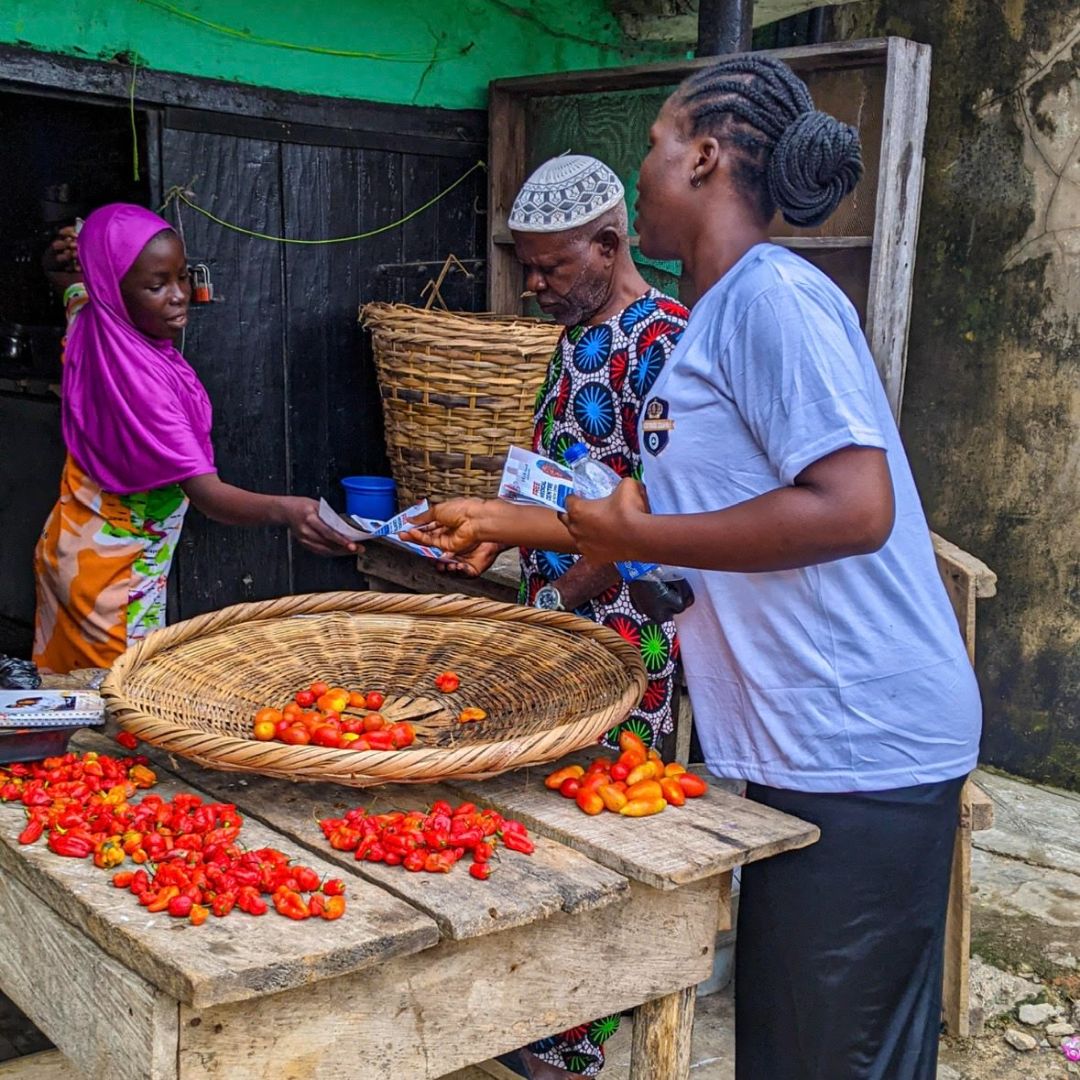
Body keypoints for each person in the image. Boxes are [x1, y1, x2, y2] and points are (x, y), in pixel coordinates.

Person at [415, 58, 982, 1080]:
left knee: (829, 1059)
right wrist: (518, 519)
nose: (642, 171)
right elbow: (663, 511)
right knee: (791, 1047)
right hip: (803, 739)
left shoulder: (774, 299)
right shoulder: (720, 319)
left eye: (655, 145)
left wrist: (628, 538)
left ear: (707, 156)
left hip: (866, 740)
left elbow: (853, 507)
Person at [414, 155, 689, 1079]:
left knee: (602, 827)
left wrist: (567, 597)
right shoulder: (573, 338)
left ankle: (572, 1045)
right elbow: (550, 476)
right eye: (525, 266)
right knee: (530, 821)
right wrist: (498, 540)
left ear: (609, 245)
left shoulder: (666, 343)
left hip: (623, 639)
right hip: (553, 623)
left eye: (548, 267)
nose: (531, 286)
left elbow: (657, 506)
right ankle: (522, 1017)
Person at [33, 203, 355, 674]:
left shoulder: (88, 319)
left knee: (63, 694)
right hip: (116, 585)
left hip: (68, 550)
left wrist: (57, 256)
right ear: (113, 289)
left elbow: (66, 281)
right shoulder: (147, 389)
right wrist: (291, 510)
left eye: (182, 277)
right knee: (113, 707)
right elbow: (209, 496)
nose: (179, 295)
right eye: (156, 285)